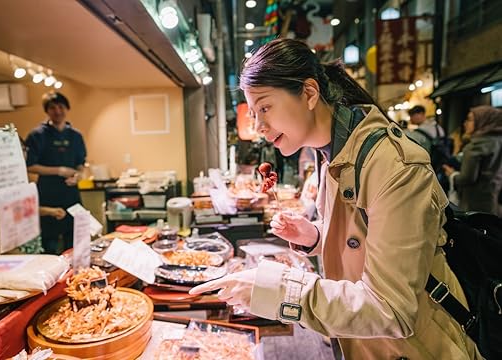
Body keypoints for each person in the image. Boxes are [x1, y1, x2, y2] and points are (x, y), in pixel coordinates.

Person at [190, 38, 481, 359]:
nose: (258, 125)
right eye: (253, 112)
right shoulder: (331, 152)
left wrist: (277, 289)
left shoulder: (393, 164)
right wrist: (315, 235)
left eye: (265, 107)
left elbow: (391, 308)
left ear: (310, 94)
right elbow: (365, 236)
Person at [25, 91, 87, 254]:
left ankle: (75, 277)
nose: (57, 111)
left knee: (75, 242)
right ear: (47, 111)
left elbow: (81, 164)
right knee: (49, 244)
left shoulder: (76, 136)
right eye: (52, 108)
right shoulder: (37, 135)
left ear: (67, 108)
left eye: (61, 106)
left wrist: (78, 176)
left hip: (71, 194)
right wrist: (59, 171)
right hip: (47, 195)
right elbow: (29, 166)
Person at [443, 105, 502, 216]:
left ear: (483, 121)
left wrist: (452, 175)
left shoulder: (475, 146)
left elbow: (467, 178)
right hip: (494, 198)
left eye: (470, 119)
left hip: (475, 202)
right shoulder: (498, 141)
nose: (465, 123)